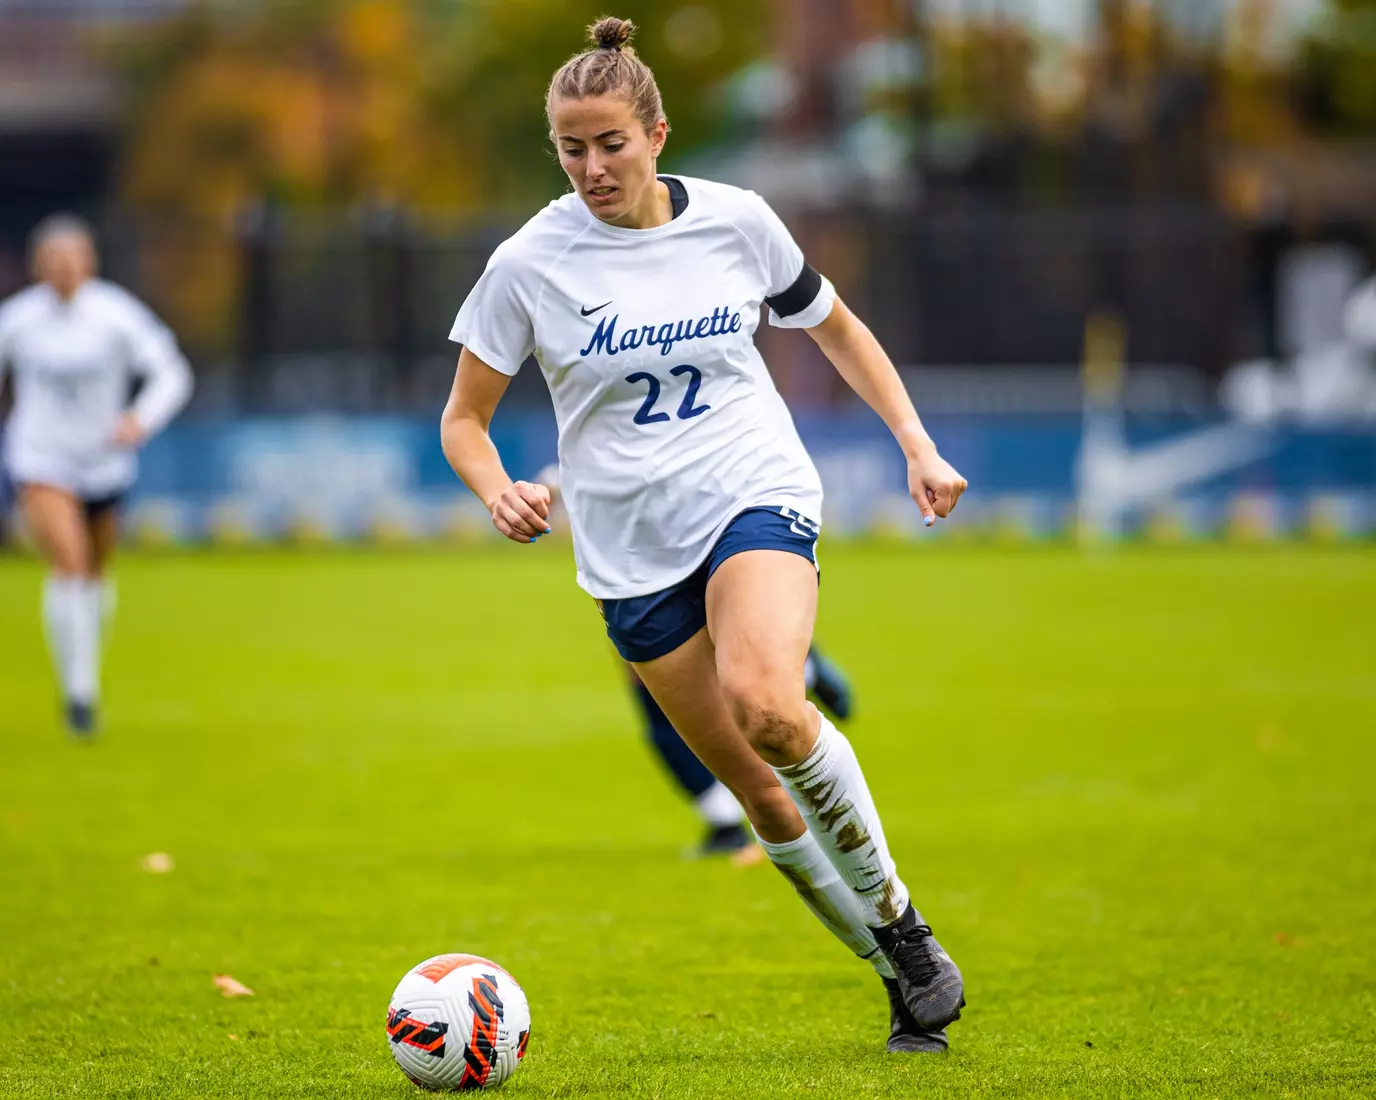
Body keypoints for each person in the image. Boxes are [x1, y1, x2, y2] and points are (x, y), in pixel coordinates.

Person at [440, 18, 968, 1054]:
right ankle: (889, 966)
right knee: (758, 792)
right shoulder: (527, 262)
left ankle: (904, 924)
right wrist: (497, 488)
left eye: (610, 144)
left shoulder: (737, 220)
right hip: (626, 551)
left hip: (750, 489)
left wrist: (914, 441)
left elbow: (837, 328)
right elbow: (463, 418)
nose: (591, 167)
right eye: (570, 147)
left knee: (769, 704)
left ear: (656, 133)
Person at [535, 461, 855, 862]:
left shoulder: (689, 439)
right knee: (664, 699)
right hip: (632, 581)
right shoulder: (597, 439)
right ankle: (728, 821)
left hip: (684, 566)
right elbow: (560, 477)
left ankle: (767, 820)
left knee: (732, 689)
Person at [0, 215, 193, 735]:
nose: (63, 270)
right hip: (40, 457)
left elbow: (173, 372)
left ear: (90, 262)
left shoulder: (116, 314)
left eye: (73, 260)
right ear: (39, 266)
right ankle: (79, 693)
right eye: (53, 261)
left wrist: (140, 418)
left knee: (96, 573)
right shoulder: (17, 321)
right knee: (69, 561)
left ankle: (86, 671)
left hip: (104, 460)